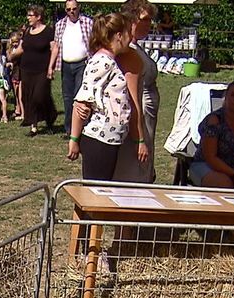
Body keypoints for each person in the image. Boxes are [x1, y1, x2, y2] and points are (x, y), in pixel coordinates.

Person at [66, 13, 133, 181]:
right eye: (128, 34)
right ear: (119, 36)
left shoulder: (111, 60)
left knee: (103, 192)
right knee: (95, 194)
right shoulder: (102, 62)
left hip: (110, 139)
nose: (130, 38)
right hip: (100, 139)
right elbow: (82, 101)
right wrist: (74, 139)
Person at [112, 0, 157, 184]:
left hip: (148, 116)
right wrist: (138, 136)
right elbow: (131, 96)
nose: (149, 24)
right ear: (131, 20)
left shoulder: (137, 47)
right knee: (133, 168)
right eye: (144, 20)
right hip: (139, 116)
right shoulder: (129, 51)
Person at [49, 0, 93, 137]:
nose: (71, 12)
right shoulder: (60, 25)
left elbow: (94, 42)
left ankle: (81, 128)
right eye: (68, 9)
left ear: (78, 8)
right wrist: (50, 67)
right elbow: (55, 47)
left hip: (83, 63)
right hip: (66, 65)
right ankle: (69, 129)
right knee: (67, 98)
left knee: (80, 97)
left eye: (74, 9)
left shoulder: (88, 22)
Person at [12, 5, 57, 137]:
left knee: (40, 96)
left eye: (30, 15)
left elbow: (54, 49)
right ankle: (34, 126)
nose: (28, 18)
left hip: (42, 70)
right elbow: (21, 48)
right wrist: (11, 54)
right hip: (27, 69)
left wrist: (51, 67)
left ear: (38, 17)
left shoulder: (48, 31)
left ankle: (50, 116)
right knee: (29, 97)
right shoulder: (27, 32)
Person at [7, 31, 24, 120]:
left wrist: (20, 42)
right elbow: (9, 57)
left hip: (20, 73)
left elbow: (12, 57)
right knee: (16, 94)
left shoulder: (20, 49)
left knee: (21, 95)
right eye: (13, 42)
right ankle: (18, 109)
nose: (14, 44)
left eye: (16, 42)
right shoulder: (10, 50)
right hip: (14, 73)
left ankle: (23, 113)